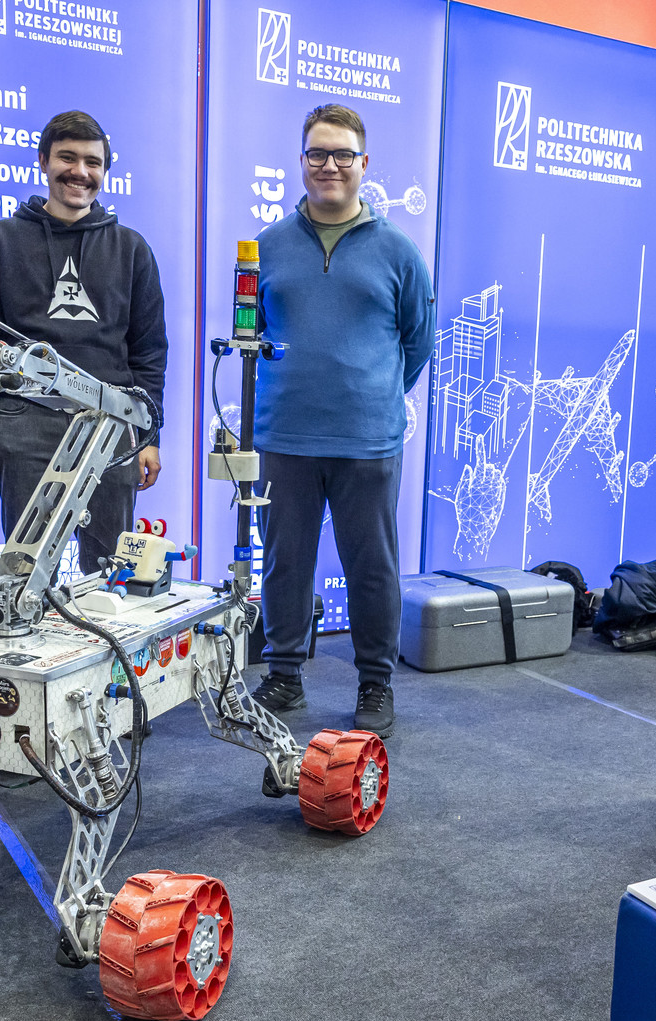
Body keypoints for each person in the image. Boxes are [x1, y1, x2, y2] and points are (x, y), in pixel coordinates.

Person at [248, 104, 435, 739]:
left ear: (363, 163)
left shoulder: (398, 251)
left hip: (367, 440)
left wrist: (375, 395)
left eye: (343, 155)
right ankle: (283, 673)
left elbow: (418, 341)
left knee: (372, 566)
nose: (330, 165)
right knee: (285, 562)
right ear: (302, 161)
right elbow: (254, 331)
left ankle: (376, 681)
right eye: (318, 154)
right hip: (285, 436)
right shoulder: (267, 247)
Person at [0, 110, 167, 573]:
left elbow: (150, 352)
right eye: (67, 158)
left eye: (93, 162)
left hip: (111, 425)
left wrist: (148, 435)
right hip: (26, 423)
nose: (80, 172)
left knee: (111, 577)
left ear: (105, 170)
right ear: (43, 161)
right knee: (24, 574)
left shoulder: (132, 249)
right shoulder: (0, 241)